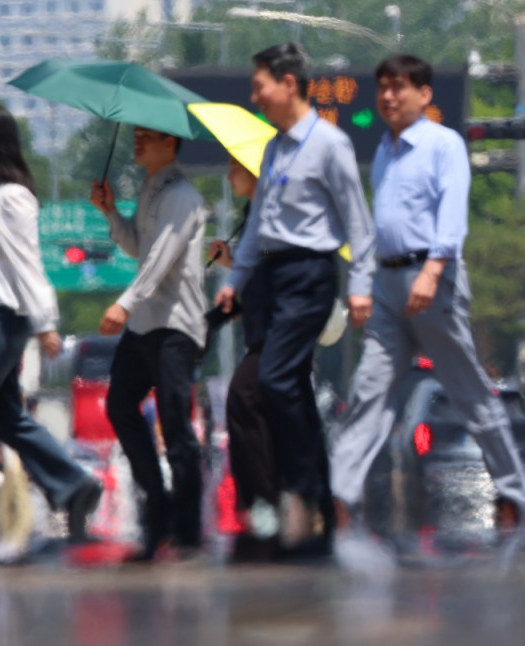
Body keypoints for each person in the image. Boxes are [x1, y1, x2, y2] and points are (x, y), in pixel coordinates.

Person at [328, 55, 525, 542]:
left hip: (432, 281)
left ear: (424, 94)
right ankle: (340, 495)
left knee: (470, 394)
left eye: (399, 87)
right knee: (369, 392)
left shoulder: (444, 145)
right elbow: (374, 227)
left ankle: (513, 493)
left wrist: (434, 270)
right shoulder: (383, 150)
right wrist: (363, 285)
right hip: (388, 286)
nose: (388, 96)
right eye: (382, 88)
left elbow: (452, 215)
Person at [214, 43, 376, 548]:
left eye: (260, 85)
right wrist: (232, 283)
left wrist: (361, 288)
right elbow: (260, 224)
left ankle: (301, 486)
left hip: (311, 274)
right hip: (274, 275)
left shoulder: (330, 144)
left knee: (276, 377)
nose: (254, 94)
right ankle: (318, 494)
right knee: (289, 386)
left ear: (288, 84)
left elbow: (357, 221)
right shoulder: (274, 149)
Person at [0, 104, 102, 568]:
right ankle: (72, 483)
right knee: (3, 415)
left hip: (1, 318)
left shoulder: (12, 198)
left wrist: (46, 323)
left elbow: (28, 264)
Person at [90, 125, 209, 561]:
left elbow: (160, 260)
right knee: (121, 405)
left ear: (171, 143)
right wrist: (110, 214)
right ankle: (156, 508)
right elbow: (140, 248)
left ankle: (187, 531)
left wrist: (123, 303)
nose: (137, 142)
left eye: (147, 136)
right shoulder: (151, 190)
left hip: (175, 325)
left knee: (177, 427)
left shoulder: (183, 196)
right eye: (136, 135)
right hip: (145, 324)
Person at [209, 157, 281, 557]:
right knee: (259, 411)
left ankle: (265, 501)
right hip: (264, 331)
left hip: (276, 332)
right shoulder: (254, 212)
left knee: (242, 398)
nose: (228, 174)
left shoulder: (269, 212)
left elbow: (269, 273)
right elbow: (257, 272)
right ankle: (263, 502)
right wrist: (233, 264)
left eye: (235, 167)